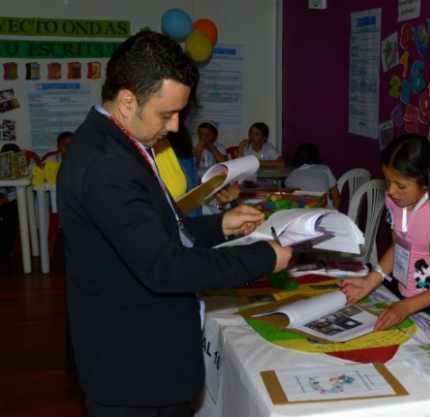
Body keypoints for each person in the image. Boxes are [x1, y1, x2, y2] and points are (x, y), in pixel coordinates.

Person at [57, 30, 292, 416]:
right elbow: (165, 265)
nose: (174, 126)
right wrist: (263, 257)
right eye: (166, 114)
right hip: (133, 370)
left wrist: (220, 225)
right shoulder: (107, 165)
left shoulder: (121, 140)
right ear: (128, 102)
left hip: (143, 354)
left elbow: (156, 230)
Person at [341, 134, 430, 330]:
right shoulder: (393, 202)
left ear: (425, 182)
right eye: (387, 182)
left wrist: (407, 306)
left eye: (401, 186)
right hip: (405, 296)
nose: (391, 191)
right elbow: (398, 246)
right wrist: (371, 280)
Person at [284, 143, 340, 209]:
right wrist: (336, 211)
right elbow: (336, 196)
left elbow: (289, 199)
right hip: (326, 211)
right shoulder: (325, 169)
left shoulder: (291, 176)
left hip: (303, 213)